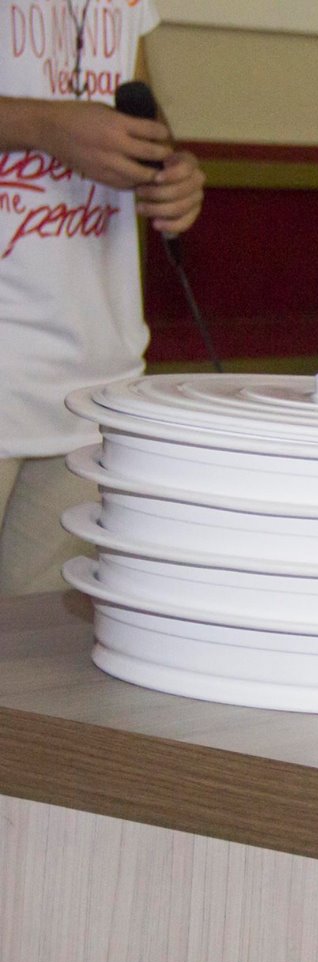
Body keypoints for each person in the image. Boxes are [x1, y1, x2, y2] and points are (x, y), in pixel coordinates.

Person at [0, 0, 204, 595]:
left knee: (42, 647)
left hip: (94, 377)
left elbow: (141, 117)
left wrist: (172, 174)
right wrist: (44, 126)